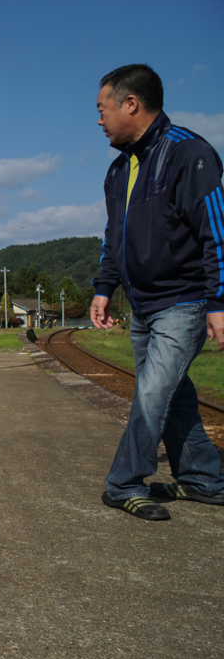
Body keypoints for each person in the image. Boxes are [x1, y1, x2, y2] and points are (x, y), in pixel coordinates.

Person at [90, 63, 224, 521]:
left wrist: (219, 301)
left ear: (132, 104)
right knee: (173, 395)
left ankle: (123, 483)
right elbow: (115, 236)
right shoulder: (118, 170)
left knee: (151, 394)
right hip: (143, 307)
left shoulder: (190, 154)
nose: (100, 119)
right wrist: (105, 287)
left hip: (184, 302)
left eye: (103, 109)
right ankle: (205, 478)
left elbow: (217, 232)